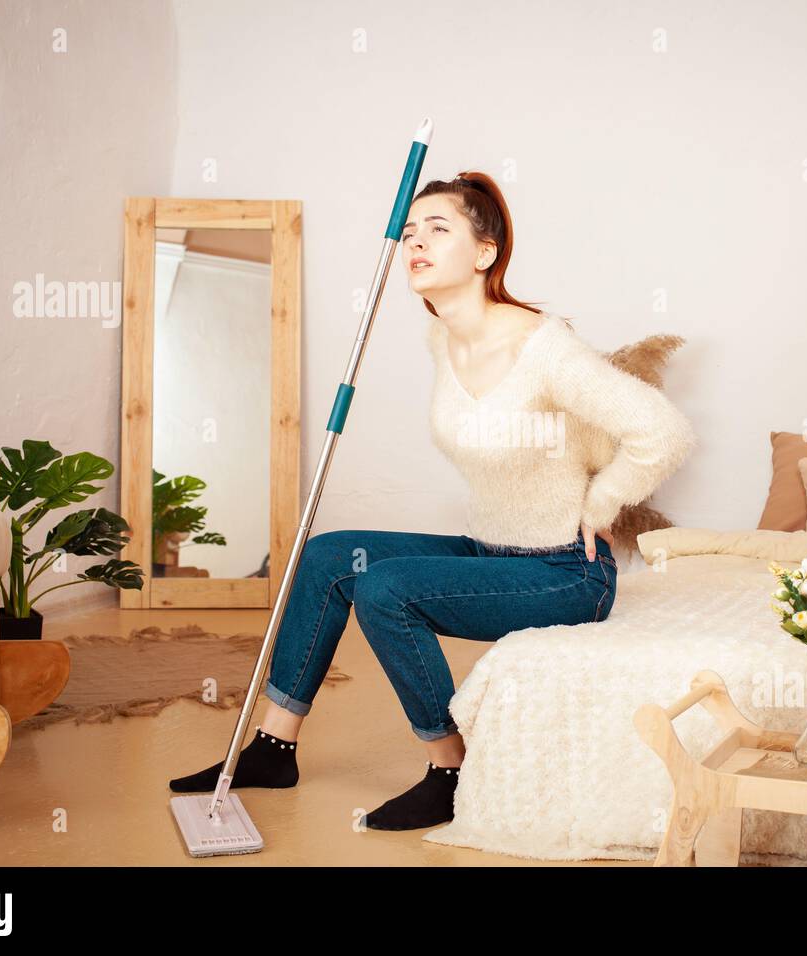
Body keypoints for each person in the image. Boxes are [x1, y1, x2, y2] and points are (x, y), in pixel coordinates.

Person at [169, 172, 697, 831]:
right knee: (332, 556)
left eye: (438, 229)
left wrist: (604, 500)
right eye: (410, 232)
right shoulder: (441, 340)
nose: (416, 243)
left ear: (485, 252)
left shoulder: (544, 348)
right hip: (491, 555)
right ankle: (274, 747)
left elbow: (664, 431)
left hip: (565, 573)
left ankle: (449, 770)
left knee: (386, 589)